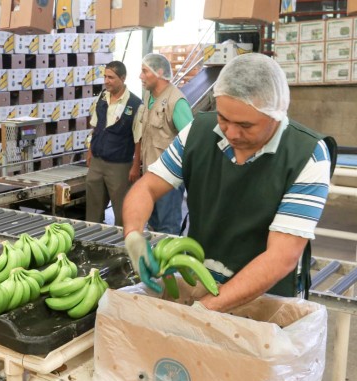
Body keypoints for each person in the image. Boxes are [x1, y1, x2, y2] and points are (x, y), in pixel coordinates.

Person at [124, 53, 337, 312]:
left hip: (264, 298)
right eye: (224, 119)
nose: (232, 133)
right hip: (200, 279)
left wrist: (204, 310)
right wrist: (133, 234)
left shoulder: (307, 155)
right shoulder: (197, 132)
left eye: (246, 125)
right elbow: (147, 187)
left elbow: (281, 256)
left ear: (276, 115)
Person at [139, 53, 193, 234]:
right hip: (150, 175)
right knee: (153, 226)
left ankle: (172, 263)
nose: (140, 76)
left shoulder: (176, 102)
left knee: (168, 228)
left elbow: (191, 141)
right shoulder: (148, 98)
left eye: (145, 72)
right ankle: (156, 262)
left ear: (159, 72)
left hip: (169, 179)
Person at [85, 61, 143, 226]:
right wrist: (90, 151)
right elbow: (95, 126)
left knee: (121, 208)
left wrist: (135, 165)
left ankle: (121, 244)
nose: (106, 81)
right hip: (97, 161)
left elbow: (138, 138)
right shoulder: (102, 97)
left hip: (119, 165)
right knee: (93, 206)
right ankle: (92, 238)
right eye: (105, 76)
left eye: (111, 77)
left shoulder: (134, 104)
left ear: (123, 78)